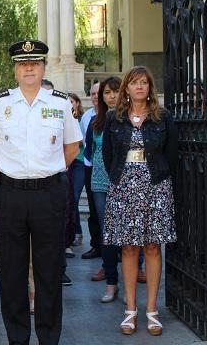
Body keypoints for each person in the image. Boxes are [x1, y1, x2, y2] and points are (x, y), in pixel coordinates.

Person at [0, 39, 82, 345]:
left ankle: (49, 337)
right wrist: (14, 172)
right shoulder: (1, 104)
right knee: (11, 273)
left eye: (35, 63)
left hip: (49, 194)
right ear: (15, 69)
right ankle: (17, 338)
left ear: (43, 67)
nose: (29, 68)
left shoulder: (60, 103)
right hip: (11, 194)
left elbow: (72, 148)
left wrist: (46, 171)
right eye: (23, 63)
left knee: (49, 271)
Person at [102, 66, 178, 336]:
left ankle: (152, 310)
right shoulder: (114, 118)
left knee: (153, 247)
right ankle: (131, 310)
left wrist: (160, 182)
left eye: (144, 82)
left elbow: (171, 153)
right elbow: (108, 154)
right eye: (134, 83)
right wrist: (120, 180)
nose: (139, 87)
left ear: (150, 87)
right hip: (124, 186)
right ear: (127, 88)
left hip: (156, 185)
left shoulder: (162, 117)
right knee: (129, 248)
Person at [84, 77, 122, 304]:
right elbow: (89, 151)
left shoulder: (128, 119)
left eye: (116, 92)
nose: (111, 96)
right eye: (107, 92)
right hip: (100, 182)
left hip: (126, 182)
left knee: (128, 233)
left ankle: (133, 273)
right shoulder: (95, 122)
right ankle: (111, 282)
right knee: (107, 233)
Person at [81, 82, 102, 262]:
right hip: (91, 167)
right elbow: (85, 144)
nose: (96, 96)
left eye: (99, 93)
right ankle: (97, 245)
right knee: (94, 210)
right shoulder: (86, 117)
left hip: (110, 169)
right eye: (93, 93)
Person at [68, 93, 86, 248]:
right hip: (66, 164)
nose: (69, 104)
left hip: (79, 163)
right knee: (69, 199)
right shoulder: (63, 119)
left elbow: (80, 140)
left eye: (71, 101)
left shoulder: (82, 119)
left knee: (73, 197)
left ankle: (77, 231)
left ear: (77, 103)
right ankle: (75, 232)